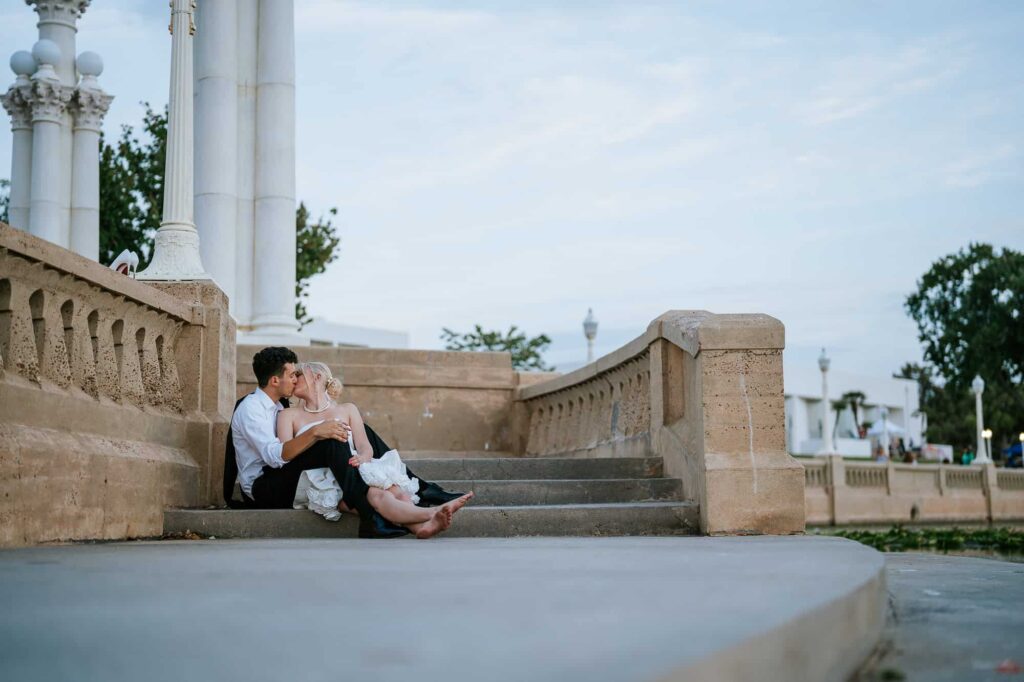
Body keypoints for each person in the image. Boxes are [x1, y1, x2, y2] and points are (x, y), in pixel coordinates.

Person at [230, 347, 472, 538]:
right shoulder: (254, 409)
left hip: (302, 471)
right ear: (275, 380)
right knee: (332, 438)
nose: (294, 380)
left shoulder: (279, 405)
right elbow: (277, 457)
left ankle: (420, 519)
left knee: (356, 443)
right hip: (266, 484)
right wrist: (317, 432)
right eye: (292, 375)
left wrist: (363, 457)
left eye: (297, 375)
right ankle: (420, 510)